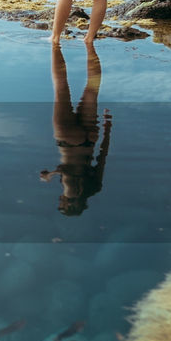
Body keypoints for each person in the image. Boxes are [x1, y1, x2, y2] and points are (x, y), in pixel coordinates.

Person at [40, 43, 112, 216]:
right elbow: (70, 172)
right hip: (68, 140)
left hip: (90, 140)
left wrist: (107, 128)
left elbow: (103, 157)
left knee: (92, 90)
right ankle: (55, 46)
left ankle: (91, 48)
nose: (60, 201)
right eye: (62, 205)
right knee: (61, 87)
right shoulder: (73, 194)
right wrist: (50, 174)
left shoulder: (94, 188)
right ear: (71, 205)